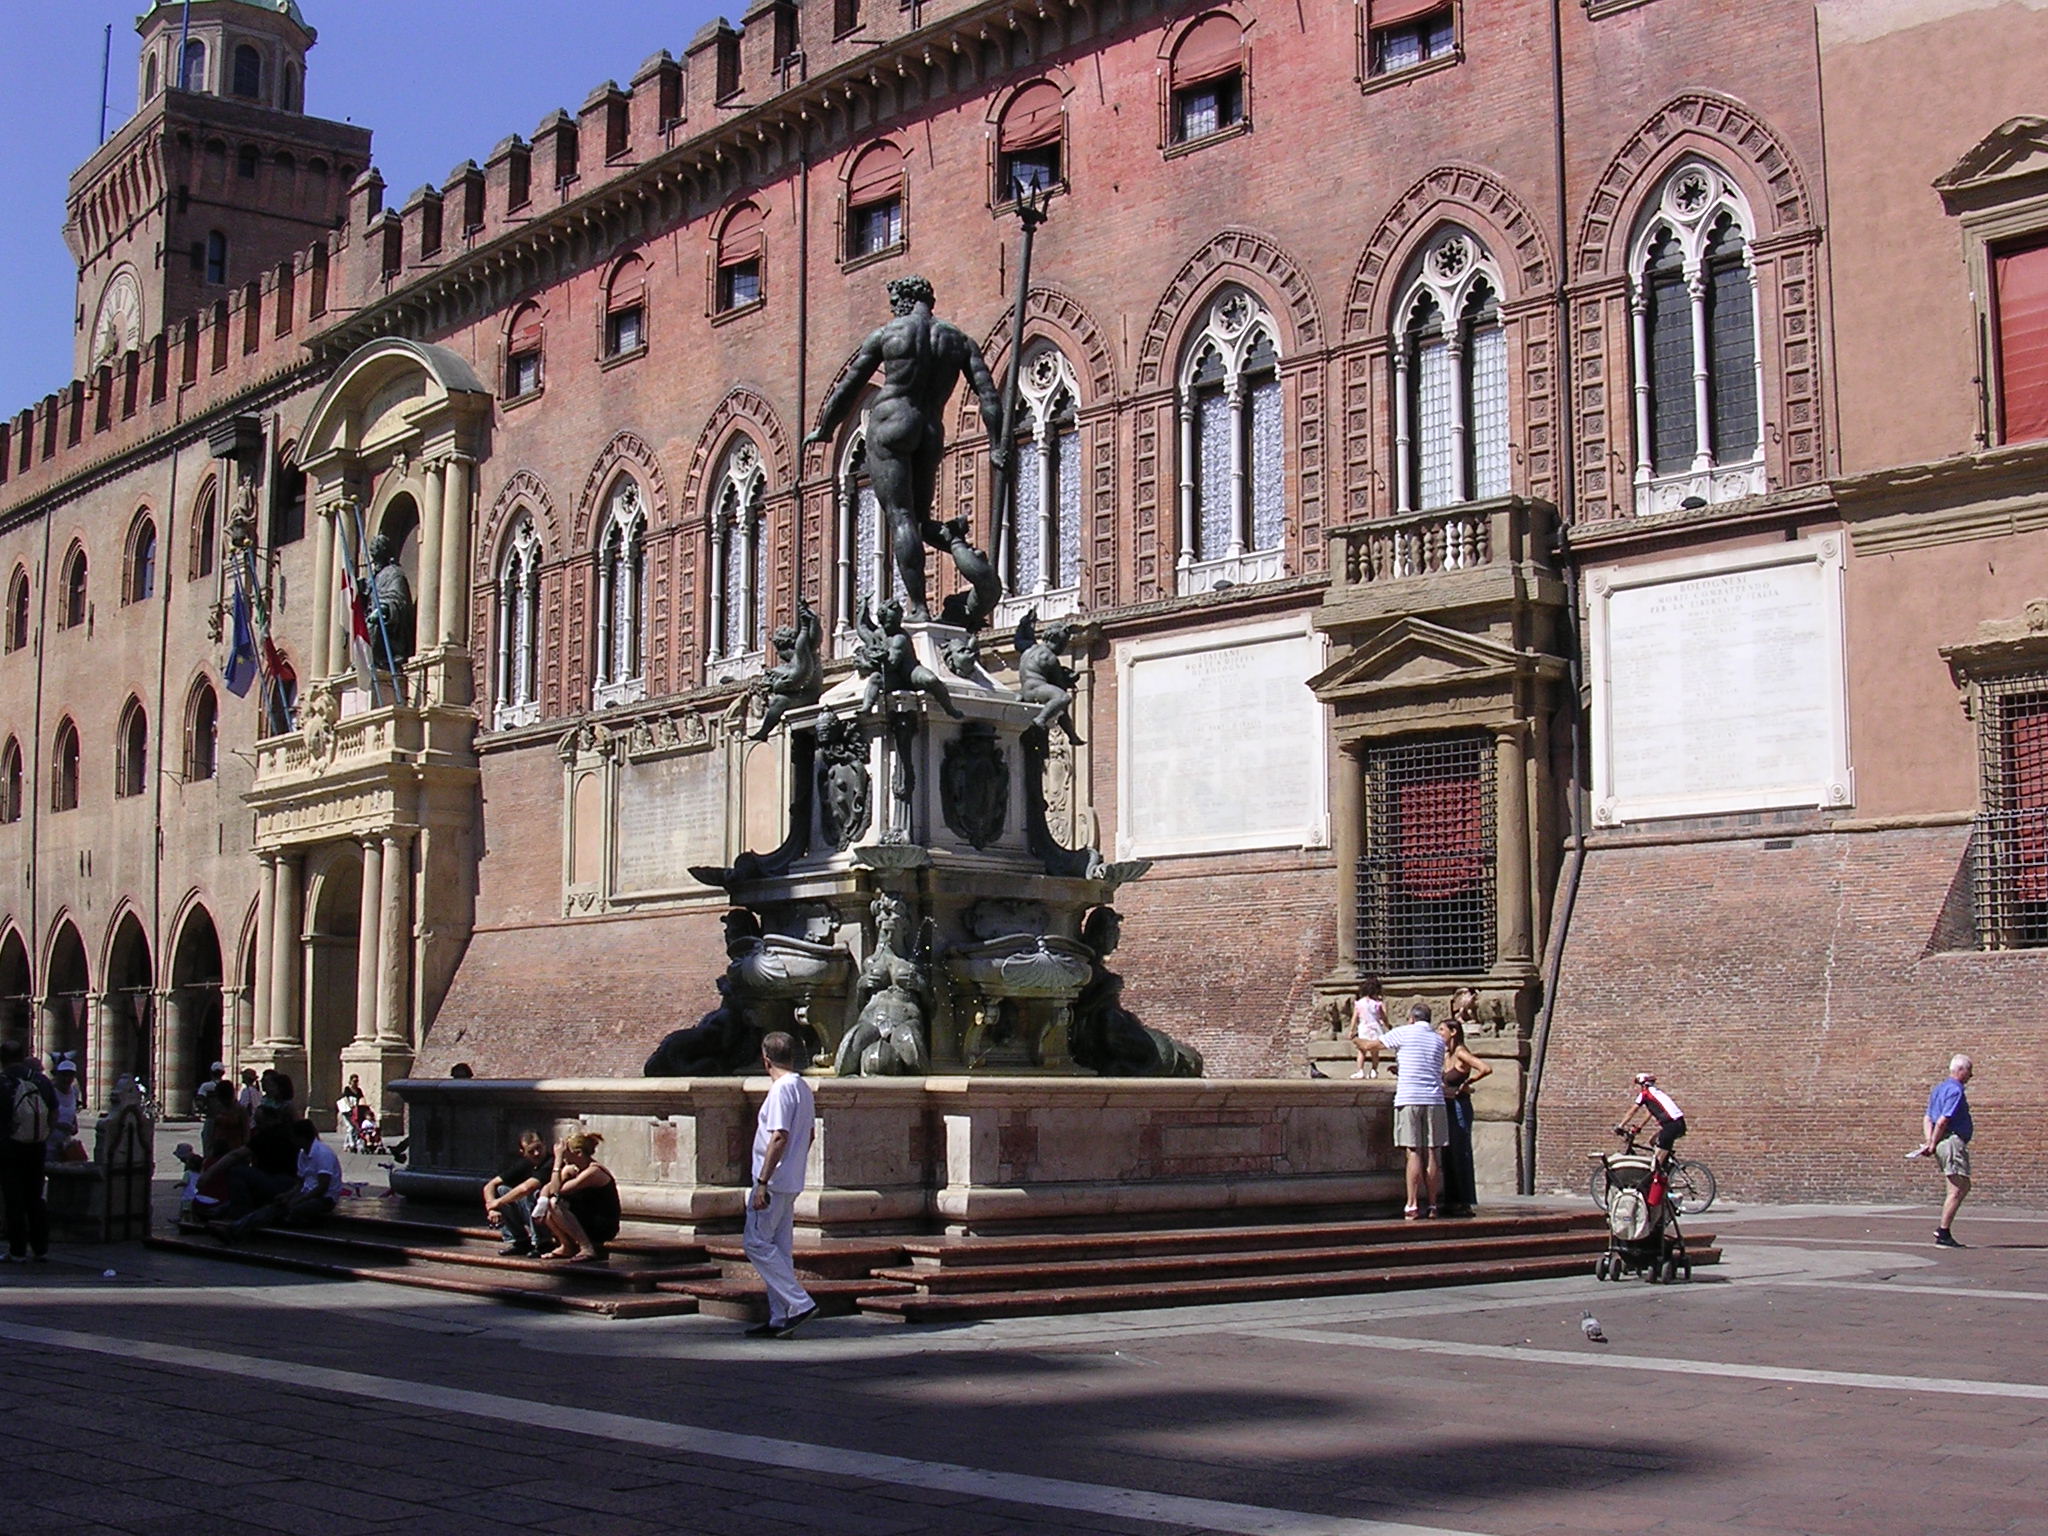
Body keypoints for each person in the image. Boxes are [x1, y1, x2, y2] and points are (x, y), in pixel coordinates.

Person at [803, 275, 1007, 620]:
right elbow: (989, 396)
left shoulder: (890, 334)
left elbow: (849, 387)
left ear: (902, 300)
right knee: (922, 521)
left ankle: (919, 608)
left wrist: (824, 428)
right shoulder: (958, 341)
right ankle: (957, 545)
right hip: (930, 430)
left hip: (892, 423)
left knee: (901, 518)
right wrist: (996, 444)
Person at [743, 1031, 817, 1337]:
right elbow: (809, 1135)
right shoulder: (803, 1086)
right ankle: (780, 1316)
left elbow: (778, 1136)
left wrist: (763, 1181)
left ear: (766, 1059)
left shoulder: (780, 1090)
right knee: (780, 1249)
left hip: (772, 1182)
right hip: (791, 1180)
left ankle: (799, 1303)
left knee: (756, 1242)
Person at [1377, 1003, 1448, 1220]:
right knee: (1433, 1152)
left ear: (1411, 1018)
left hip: (1409, 1097)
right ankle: (1434, 1205)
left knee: (1414, 1151)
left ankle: (1412, 1203)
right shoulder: (1438, 1040)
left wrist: (1354, 1037)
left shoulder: (1403, 1032)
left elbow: (1373, 1046)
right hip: (1435, 1099)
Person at [226, 1120, 342, 1237]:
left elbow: (322, 1187)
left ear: (301, 1138)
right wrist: (288, 1195)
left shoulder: (323, 1153)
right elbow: (300, 1183)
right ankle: (237, 1227)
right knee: (277, 1205)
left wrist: (299, 1199)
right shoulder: (302, 1154)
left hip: (324, 1198)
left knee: (292, 1209)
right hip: (306, 1193)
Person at [1, 1039, 58, 1262]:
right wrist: (44, 1134)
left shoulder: (4, 1082)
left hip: (9, 1147)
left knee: (14, 1199)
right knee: (35, 1197)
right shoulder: (41, 1080)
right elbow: (54, 1112)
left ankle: (17, 1251)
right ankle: (40, 1248)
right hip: (37, 1146)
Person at [1436, 1009, 1493, 1216]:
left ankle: (1464, 1201)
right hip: (1448, 1105)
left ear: (1453, 1032)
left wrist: (1468, 1082)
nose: (1438, 1033)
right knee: (1448, 1152)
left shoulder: (1460, 1052)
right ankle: (1452, 1200)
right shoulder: (1446, 1054)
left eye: (1441, 1029)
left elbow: (1485, 1068)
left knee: (1460, 1152)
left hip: (1460, 1106)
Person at [1915, 1054, 1974, 1248]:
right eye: (1969, 1070)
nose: (1971, 1075)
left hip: (1943, 1141)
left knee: (1963, 1185)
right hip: (1951, 1141)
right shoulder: (1955, 1090)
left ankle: (1944, 1230)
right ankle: (1943, 1232)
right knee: (1957, 1188)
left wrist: (1929, 1140)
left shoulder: (1938, 1089)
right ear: (1960, 1070)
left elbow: (1927, 1118)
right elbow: (1942, 1120)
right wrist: (1932, 1143)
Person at [540, 1131, 619, 1263]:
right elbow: (547, 1188)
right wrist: (541, 1202)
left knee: (555, 1204)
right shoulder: (574, 1169)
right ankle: (566, 1245)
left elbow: (556, 1191)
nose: (563, 1155)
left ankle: (587, 1248)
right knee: (548, 1207)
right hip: (585, 1217)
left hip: (602, 1224)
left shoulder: (593, 1172)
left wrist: (557, 1162)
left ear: (578, 1153)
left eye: (566, 1152)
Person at [483, 1131, 555, 1257]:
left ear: (545, 1144)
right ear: (522, 1152)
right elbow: (490, 1185)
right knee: (502, 1190)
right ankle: (520, 1241)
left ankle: (543, 1242)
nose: (536, 1153)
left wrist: (498, 1202)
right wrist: (492, 1209)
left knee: (532, 1194)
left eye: (539, 1148)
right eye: (531, 1151)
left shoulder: (551, 1162)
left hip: (552, 1217)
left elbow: (527, 1187)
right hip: (532, 1214)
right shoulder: (525, 1163)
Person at [1615, 1072, 1686, 1172]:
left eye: (1637, 1085)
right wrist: (1640, 1126)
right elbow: (1650, 1112)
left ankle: (1659, 1178)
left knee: (1655, 1165)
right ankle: (1668, 1164)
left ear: (1643, 1084)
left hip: (1671, 1125)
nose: (1636, 1088)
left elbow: (1633, 1110)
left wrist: (1620, 1125)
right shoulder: (1656, 1093)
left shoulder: (1645, 1093)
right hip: (1678, 1124)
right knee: (1652, 1141)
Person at [1349, 976, 1387, 1079]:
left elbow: (1354, 1018)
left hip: (1364, 1028)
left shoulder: (1360, 1003)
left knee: (1362, 1050)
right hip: (1375, 1028)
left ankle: (1360, 1070)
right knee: (1375, 1051)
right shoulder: (1377, 1004)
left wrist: (1352, 1030)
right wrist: (1388, 1026)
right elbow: (1383, 1017)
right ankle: (1374, 1070)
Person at [47, 1055, 82, 1162]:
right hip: (49, 1144)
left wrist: (74, 1126)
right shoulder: (50, 1092)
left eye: (70, 1075)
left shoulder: (74, 1091)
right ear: (57, 1075)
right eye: (63, 1075)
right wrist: (59, 1125)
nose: (67, 1079)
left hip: (65, 1145)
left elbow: (72, 1113)